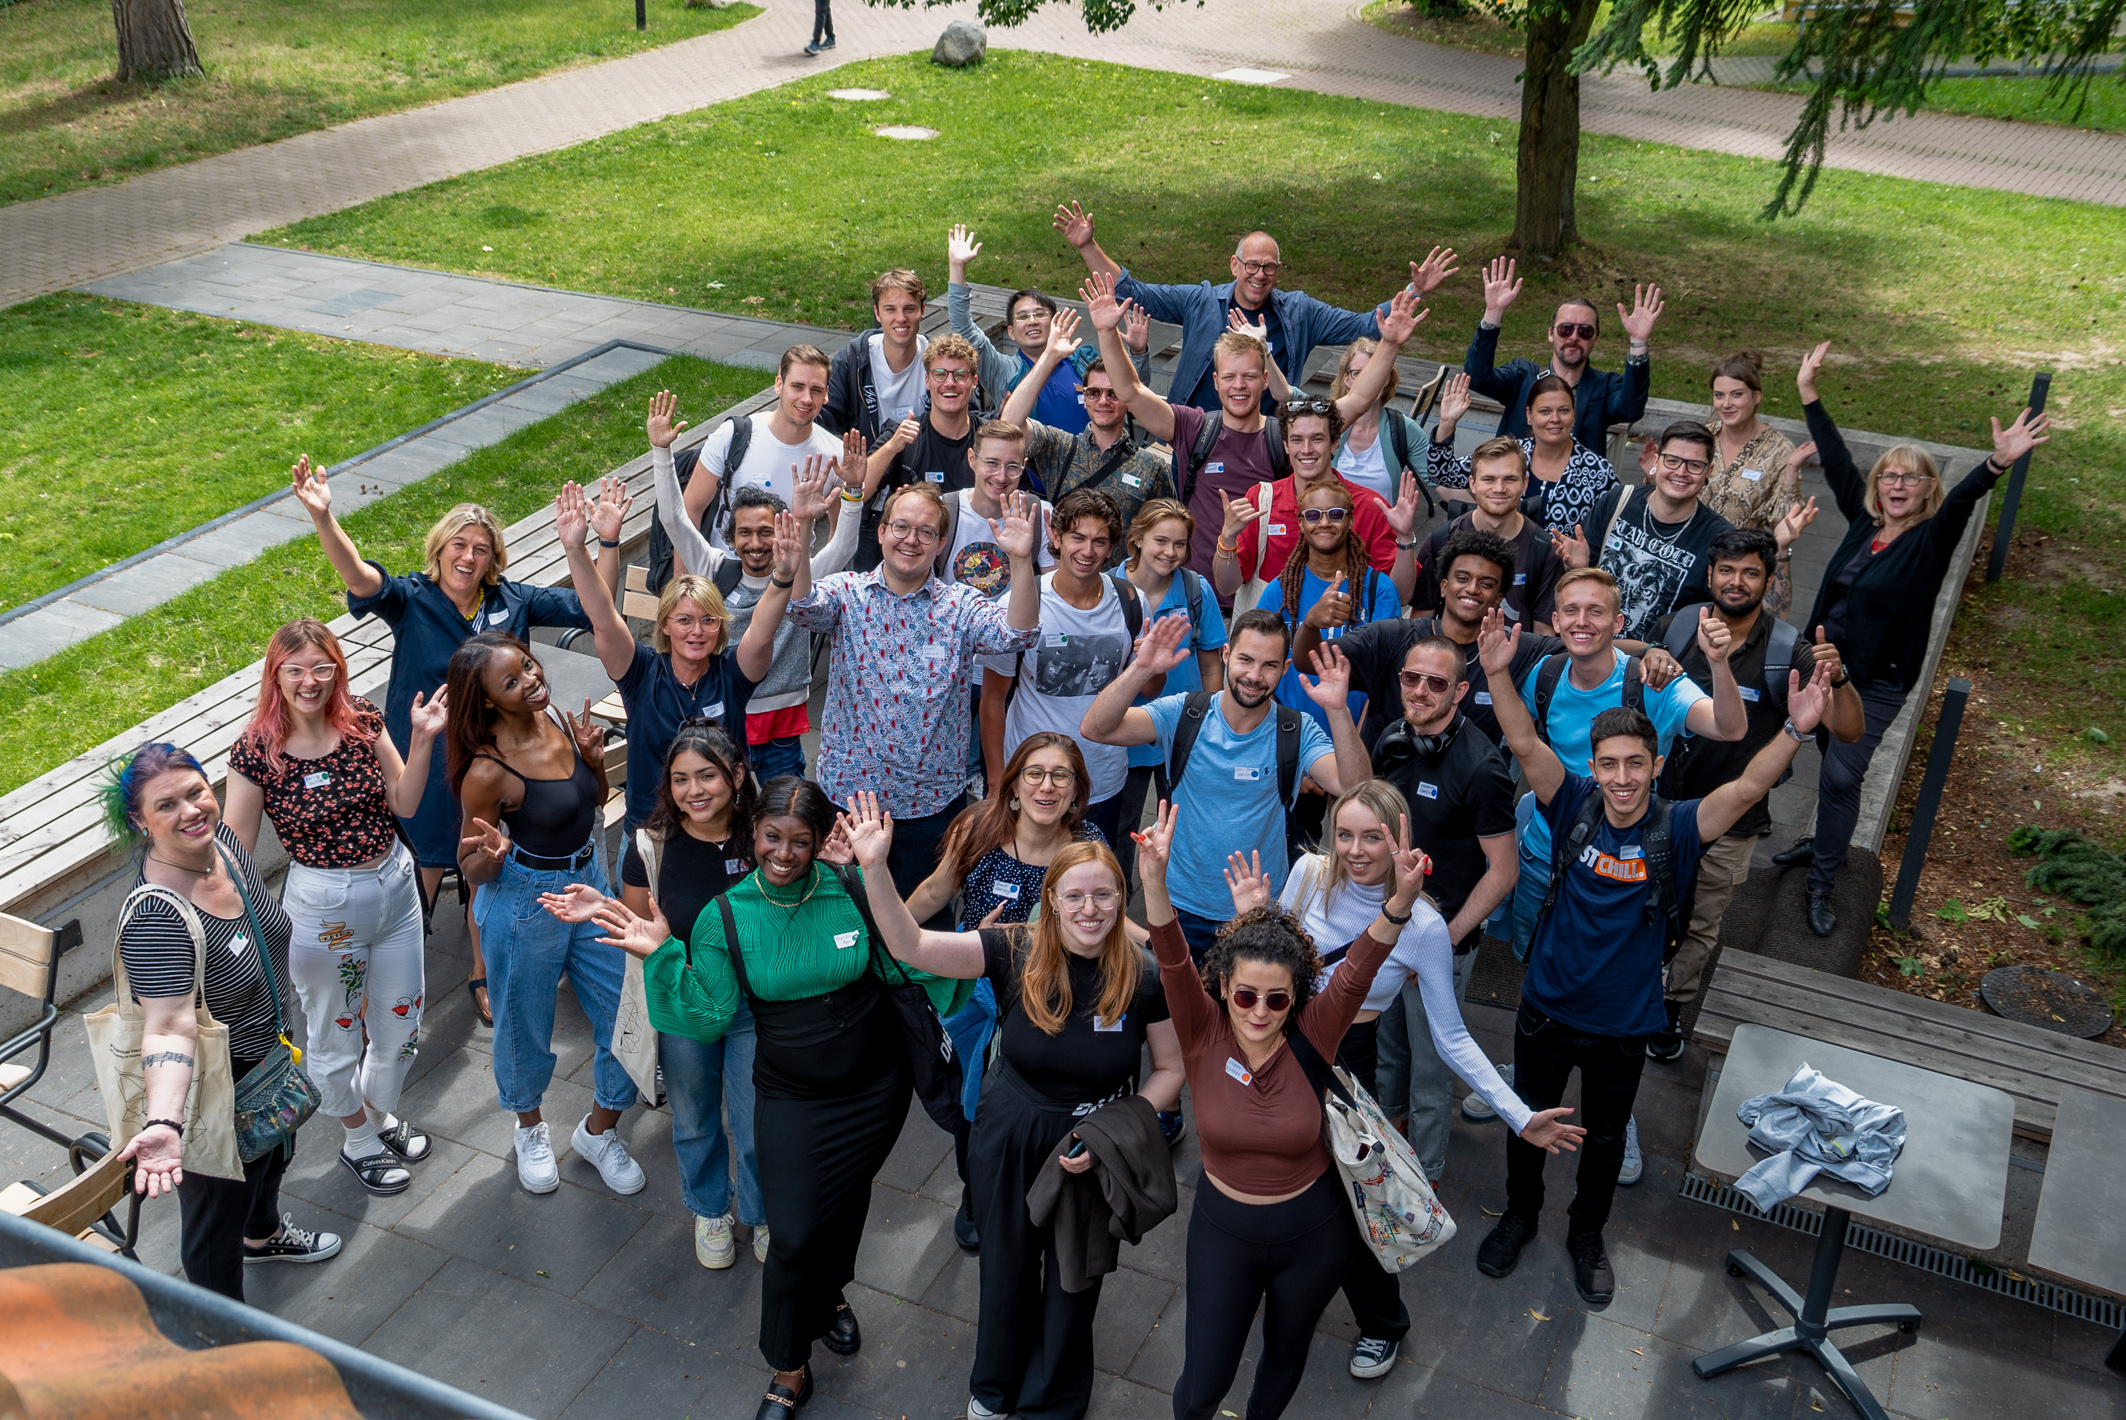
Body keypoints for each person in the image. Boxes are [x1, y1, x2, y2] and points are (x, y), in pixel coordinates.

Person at [1473, 607, 1839, 1306]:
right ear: (1593, 766)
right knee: (1531, 1122)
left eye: (1634, 764)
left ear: (1657, 765)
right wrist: (1495, 669)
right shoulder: (1570, 799)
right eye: (1608, 764)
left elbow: (1747, 788)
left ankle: (1587, 1235)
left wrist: (1795, 729)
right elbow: (1522, 741)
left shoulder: (1679, 824)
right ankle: (1520, 1216)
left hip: (1623, 1022)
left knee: (1605, 1141)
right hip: (1546, 1006)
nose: (1620, 778)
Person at [589, 779, 962, 1420]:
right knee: (790, 1233)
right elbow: (705, 1013)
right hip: (792, 1096)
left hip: (876, 1089)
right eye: (771, 838)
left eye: (800, 841)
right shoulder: (726, 915)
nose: (784, 854)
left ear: (821, 841)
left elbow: (906, 955)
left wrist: (883, 881)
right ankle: (789, 1367)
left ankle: (832, 1297)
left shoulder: (848, 889)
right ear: (752, 833)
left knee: (845, 1201)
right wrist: (661, 955)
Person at [844, 790, 1181, 1420]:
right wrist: (874, 868)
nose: (1089, 908)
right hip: (1010, 1129)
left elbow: (1171, 1070)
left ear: (1120, 901)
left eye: (1104, 895)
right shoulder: (1011, 946)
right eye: (1074, 895)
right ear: (1051, 899)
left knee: (1076, 1278)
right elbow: (912, 947)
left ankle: (1055, 1400)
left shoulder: (1142, 974)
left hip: (1091, 1143)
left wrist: (1112, 1131)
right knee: (1006, 1271)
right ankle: (992, 1391)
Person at [1227, 781, 1580, 1380]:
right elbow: (1267, 965)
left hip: (1346, 1067)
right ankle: (1283, 1296)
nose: (1356, 850)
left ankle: (1383, 1324)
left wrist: (1520, 1116)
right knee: (1268, 1186)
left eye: (1373, 837)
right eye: (1346, 834)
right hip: (1275, 1048)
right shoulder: (1309, 874)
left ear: (1401, 838)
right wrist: (1253, 918)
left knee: (1350, 1205)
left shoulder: (1420, 925)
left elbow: (1452, 1037)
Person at [292, 454, 622, 1028]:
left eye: (481, 548)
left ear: (495, 557)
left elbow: (597, 607)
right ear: (439, 549)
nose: (469, 556)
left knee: (485, 865)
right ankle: (388, 984)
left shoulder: (513, 601)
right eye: (459, 545)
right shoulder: (412, 598)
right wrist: (324, 517)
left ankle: (481, 970)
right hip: (423, 761)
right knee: (414, 876)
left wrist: (608, 544)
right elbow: (358, 578)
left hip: (494, 762)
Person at [1136, 798, 1413, 1420]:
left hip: (1315, 1234)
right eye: (1245, 995)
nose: (1260, 1011)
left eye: (1277, 999)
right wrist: (1153, 879)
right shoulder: (1203, 1032)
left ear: (1297, 998)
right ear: (1223, 991)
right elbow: (1175, 959)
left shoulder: (1316, 1029)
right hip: (1222, 1234)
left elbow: (1360, 968)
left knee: (1285, 1356)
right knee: (1201, 1385)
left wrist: (1399, 902)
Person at [1783, 340, 2050, 937]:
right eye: (1890, 475)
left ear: (1929, 489)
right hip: (1822, 666)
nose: (1898, 484)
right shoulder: (1864, 524)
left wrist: (1995, 464)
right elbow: (1835, 456)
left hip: (1874, 682)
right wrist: (1809, 395)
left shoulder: (1929, 543)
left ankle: (1823, 881)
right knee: (1821, 758)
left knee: (1842, 776)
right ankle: (1819, 843)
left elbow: (1963, 502)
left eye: (1913, 477)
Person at [108, 743, 343, 1300]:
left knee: (272, 1158)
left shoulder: (229, 848)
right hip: (215, 1085)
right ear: (140, 822)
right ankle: (221, 1334)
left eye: (195, 792)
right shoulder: (156, 917)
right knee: (216, 1222)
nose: (191, 810)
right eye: (166, 806)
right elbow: (167, 1027)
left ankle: (262, 1237)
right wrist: (165, 1122)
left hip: (269, 1053)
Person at [224, 620, 441, 1198]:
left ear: (337, 668)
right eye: (294, 670)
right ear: (275, 676)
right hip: (325, 908)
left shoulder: (362, 717)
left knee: (402, 1022)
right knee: (334, 1029)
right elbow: (236, 849)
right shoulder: (256, 749)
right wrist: (242, 932)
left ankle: (376, 1112)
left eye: (321, 667)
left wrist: (421, 741)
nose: (310, 681)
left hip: (395, 886)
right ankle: (357, 1138)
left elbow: (405, 801)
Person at [541, 726, 767, 1271]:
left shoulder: (764, 833)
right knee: (692, 1119)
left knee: (757, 1120)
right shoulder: (650, 844)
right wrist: (603, 907)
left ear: (736, 775)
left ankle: (762, 1215)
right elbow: (641, 927)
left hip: (754, 1007)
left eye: (708, 775)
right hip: (684, 1004)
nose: (695, 790)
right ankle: (710, 1208)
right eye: (681, 778)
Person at [1642, 529, 1866, 1061]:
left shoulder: (1792, 650)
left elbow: (1851, 731)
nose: (1736, 582)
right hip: (1657, 805)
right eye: (1727, 570)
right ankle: (1628, 986)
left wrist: (1839, 677)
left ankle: (1670, 1009)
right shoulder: (1678, 626)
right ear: (1712, 574)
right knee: (1642, 904)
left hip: (1734, 816)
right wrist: (1649, 654)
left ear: (1768, 581)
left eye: (1750, 573)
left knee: (1702, 919)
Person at [1078, 271, 1424, 593]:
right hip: (1197, 593)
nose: (1238, 386)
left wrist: (1389, 344)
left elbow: (1360, 398)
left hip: (1265, 601)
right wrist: (1107, 332)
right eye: (1229, 377)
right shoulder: (1194, 427)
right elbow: (1131, 392)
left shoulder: (1287, 437)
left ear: (1265, 380)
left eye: (1249, 377)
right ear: (1216, 381)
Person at [448, 632, 643, 1198]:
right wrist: (490, 856)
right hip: (524, 896)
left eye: (528, 667)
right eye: (511, 681)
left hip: (590, 885)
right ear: (487, 700)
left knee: (629, 1014)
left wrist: (592, 761)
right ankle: (528, 1126)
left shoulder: (557, 720)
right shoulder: (486, 771)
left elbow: (589, 805)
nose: (531, 680)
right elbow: (471, 867)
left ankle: (598, 1132)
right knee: (524, 1027)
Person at [783, 482, 1042, 905]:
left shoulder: (961, 605)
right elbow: (803, 606)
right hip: (851, 802)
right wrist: (805, 523)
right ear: (882, 532)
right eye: (901, 526)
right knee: (842, 917)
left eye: (926, 532)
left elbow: (1017, 634)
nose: (911, 539)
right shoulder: (848, 593)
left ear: (940, 543)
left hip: (932, 806)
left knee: (922, 918)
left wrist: (1019, 559)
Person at [908, 733, 1113, 1247]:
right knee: (968, 1101)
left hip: (1051, 995)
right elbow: (937, 890)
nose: (1047, 786)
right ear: (1015, 786)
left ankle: (1034, 1189)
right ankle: (976, 1195)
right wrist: (892, 940)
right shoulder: (978, 828)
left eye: (1060, 775)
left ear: (1076, 791)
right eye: (1035, 774)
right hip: (975, 990)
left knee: (1033, 1100)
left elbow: (1106, 917)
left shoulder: (1089, 847)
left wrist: (1161, 942)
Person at [1081, 610, 1371, 963]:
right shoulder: (1185, 713)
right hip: (1180, 906)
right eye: (1246, 659)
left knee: (1249, 1014)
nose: (1254, 675)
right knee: (1175, 1012)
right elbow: (1096, 728)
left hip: (1259, 909)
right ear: (1226, 655)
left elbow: (1356, 786)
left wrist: (1338, 710)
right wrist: (1141, 668)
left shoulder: (1295, 730)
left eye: (1269, 665)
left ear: (1283, 669)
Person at [558, 474, 788, 879]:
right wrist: (579, 548)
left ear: (720, 627)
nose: (696, 631)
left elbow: (764, 629)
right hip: (654, 835)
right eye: (683, 620)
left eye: (707, 621)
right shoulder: (640, 671)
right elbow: (604, 620)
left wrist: (783, 577)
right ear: (665, 625)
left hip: (724, 834)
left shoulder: (733, 673)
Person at [1055, 199, 1455, 414]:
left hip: (1262, 435)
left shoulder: (1301, 312)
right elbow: (1136, 292)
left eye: (1269, 267)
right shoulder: (1201, 300)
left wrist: (1414, 289)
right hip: (1195, 427)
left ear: (1279, 270)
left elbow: (1368, 324)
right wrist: (1088, 246)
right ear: (1235, 265)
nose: (1259, 275)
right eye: (1251, 265)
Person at [1362, 636, 1519, 1177]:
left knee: (1432, 1064)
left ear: (1460, 691)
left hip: (1443, 939)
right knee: (1388, 1047)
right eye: (1412, 679)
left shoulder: (1482, 769)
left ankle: (1423, 1174)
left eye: (1437, 683)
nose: (1421, 691)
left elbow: (1504, 871)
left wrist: (1443, 942)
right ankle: (1386, 1140)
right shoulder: (1392, 739)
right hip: (1390, 927)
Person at [651, 391, 865, 782]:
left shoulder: (803, 577)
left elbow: (845, 546)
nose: (755, 542)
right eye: (745, 533)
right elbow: (675, 519)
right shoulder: (713, 566)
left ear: (781, 531)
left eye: (766, 531)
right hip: (719, 721)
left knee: (782, 822)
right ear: (731, 539)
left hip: (780, 731)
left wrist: (852, 493)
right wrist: (661, 454)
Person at [1298, 528, 1565, 752]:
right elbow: (1306, 661)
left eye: (1486, 584)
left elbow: (1591, 654)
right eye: (1462, 578)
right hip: (1381, 794)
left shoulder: (1514, 648)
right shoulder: (1391, 637)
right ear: (1444, 586)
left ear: (1498, 598)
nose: (1472, 589)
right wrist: (1310, 623)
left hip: (1469, 798)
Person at [980, 488, 1140, 842]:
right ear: (1055, 535)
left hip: (1102, 777)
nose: (1087, 551)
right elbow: (993, 697)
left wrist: (1150, 664)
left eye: (1099, 541)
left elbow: (1147, 689)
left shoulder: (1132, 601)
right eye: (1077, 537)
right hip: (1035, 780)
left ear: (1112, 547)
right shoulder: (1022, 601)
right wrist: (996, 781)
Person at [1213, 392, 1425, 612]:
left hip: (1346, 640)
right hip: (1273, 639)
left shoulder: (1368, 506)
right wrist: (1227, 538)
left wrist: (1405, 537)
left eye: (1317, 439)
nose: (1306, 450)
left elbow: (1400, 595)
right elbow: (1226, 586)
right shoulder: (1261, 499)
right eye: (1296, 439)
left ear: (1334, 444)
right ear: (1286, 445)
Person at [946, 223, 1153, 439]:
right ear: (1011, 332)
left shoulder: (1085, 360)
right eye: (1023, 317)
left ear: (1055, 321)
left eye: (1040, 314)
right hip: (1037, 469)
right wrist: (957, 266)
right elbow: (964, 330)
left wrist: (1138, 353)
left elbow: (1131, 393)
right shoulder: (1002, 371)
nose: (1032, 321)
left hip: (1098, 464)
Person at [1113, 500, 1225, 888]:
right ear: (1138, 539)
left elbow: (1211, 663)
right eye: (1161, 540)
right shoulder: (1110, 587)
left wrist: (1214, 722)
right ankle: (1118, 909)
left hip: (1182, 730)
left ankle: (1179, 902)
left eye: (1180, 544)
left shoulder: (1196, 590)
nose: (1170, 552)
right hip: (1123, 732)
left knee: (1183, 821)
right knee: (1120, 827)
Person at [654, 349, 844, 560]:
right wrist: (685, 587)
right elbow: (690, 514)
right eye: (797, 387)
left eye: (816, 390)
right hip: (726, 581)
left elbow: (840, 536)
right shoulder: (732, 436)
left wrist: (818, 579)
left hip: (793, 584)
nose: (806, 398)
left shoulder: (835, 455)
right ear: (779, 384)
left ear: (826, 393)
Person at [1002, 309, 1176, 535]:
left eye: (1113, 393)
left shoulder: (1152, 468)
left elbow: (1168, 532)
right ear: (1084, 399)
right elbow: (1010, 426)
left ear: (1127, 399)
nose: (1103, 401)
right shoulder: (1060, 448)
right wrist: (1050, 356)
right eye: (1093, 393)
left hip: (1121, 571)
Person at [1462, 255, 1659, 450]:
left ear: (1596, 339)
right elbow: (1477, 378)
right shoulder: (1522, 376)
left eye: (1585, 331)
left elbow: (1630, 409)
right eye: (1565, 329)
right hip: (1517, 478)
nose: (1574, 337)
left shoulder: (1605, 387)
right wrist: (1493, 313)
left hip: (1578, 481)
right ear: (1551, 334)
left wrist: (1639, 342)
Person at [1264, 481, 1407, 744]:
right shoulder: (1279, 591)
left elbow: (1386, 677)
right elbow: (1262, 671)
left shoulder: (1379, 589)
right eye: (1313, 515)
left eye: (1336, 514)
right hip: (1289, 739)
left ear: (1350, 520)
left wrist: (1358, 746)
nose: (1325, 523)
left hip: (1355, 737)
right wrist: (1283, 743)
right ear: (1301, 522)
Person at [821, 269, 930, 566]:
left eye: (909, 309)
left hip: (925, 502)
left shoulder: (935, 361)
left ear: (923, 310)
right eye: (890, 309)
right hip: (867, 503)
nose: (901, 319)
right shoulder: (853, 360)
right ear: (876, 314)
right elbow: (825, 424)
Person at [1431, 371, 1617, 538]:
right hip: (1500, 567)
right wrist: (1447, 423)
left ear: (1574, 415)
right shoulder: (1509, 453)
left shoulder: (1598, 471)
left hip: (1562, 572)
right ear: (1529, 415)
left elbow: (1614, 527)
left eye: (1563, 410)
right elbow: (1442, 474)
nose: (1555, 419)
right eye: (1545, 411)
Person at [853, 333, 984, 571]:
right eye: (940, 374)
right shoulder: (903, 435)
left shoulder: (986, 437)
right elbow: (858, 492)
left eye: (960, 375)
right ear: (927, 380)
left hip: (973, 561)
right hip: (913, 563)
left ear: (974, 382)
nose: (950, 383)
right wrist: (892, 447)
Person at [1410, 436, 1560, 634]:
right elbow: (1420, 619)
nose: (1499, 488)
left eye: (1509, 479)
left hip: (1513, 663)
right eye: (1488, 479)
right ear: (1472, 483)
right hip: (1450, 659)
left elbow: (1544, 634)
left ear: (1525, 484)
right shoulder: (1442, 538)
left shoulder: (1544, 549)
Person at [1703, 350, 1808, 531]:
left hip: (1741, 555)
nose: (1726, 403)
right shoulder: (1701, 437)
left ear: (1756, 396)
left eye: (1736, 394)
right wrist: (1652, 474)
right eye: (1719, 395)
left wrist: (1791, 472)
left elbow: (1785, 524)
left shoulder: (1779, 450)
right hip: (1688, 550)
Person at [1329, 337, 1432, 508]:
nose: (1366, 381)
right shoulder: (1327, 421)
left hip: (1380, 532)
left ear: (1386, 379)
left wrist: (1446, 426)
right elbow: (1288, 394)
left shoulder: (1403, 429)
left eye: (1373, 373)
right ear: (1346, 379)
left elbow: (1441, 481)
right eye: (1358, 373)